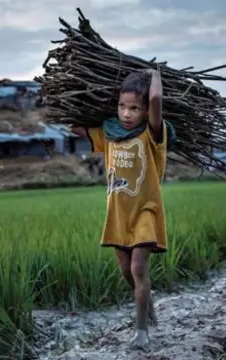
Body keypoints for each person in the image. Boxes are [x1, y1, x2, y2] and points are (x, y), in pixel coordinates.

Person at [70, 68, 167, 350]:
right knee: (127, 272)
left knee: (138, 267)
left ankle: (141, 332)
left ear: (146, 110)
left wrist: (155, 73)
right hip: (118, 215)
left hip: (145, 211)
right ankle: (147, 300)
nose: (126, 114)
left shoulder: (153, 134)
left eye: (135, 108)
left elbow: (157, 98)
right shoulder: (109, 133)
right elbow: (72, 125)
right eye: (122, 107)